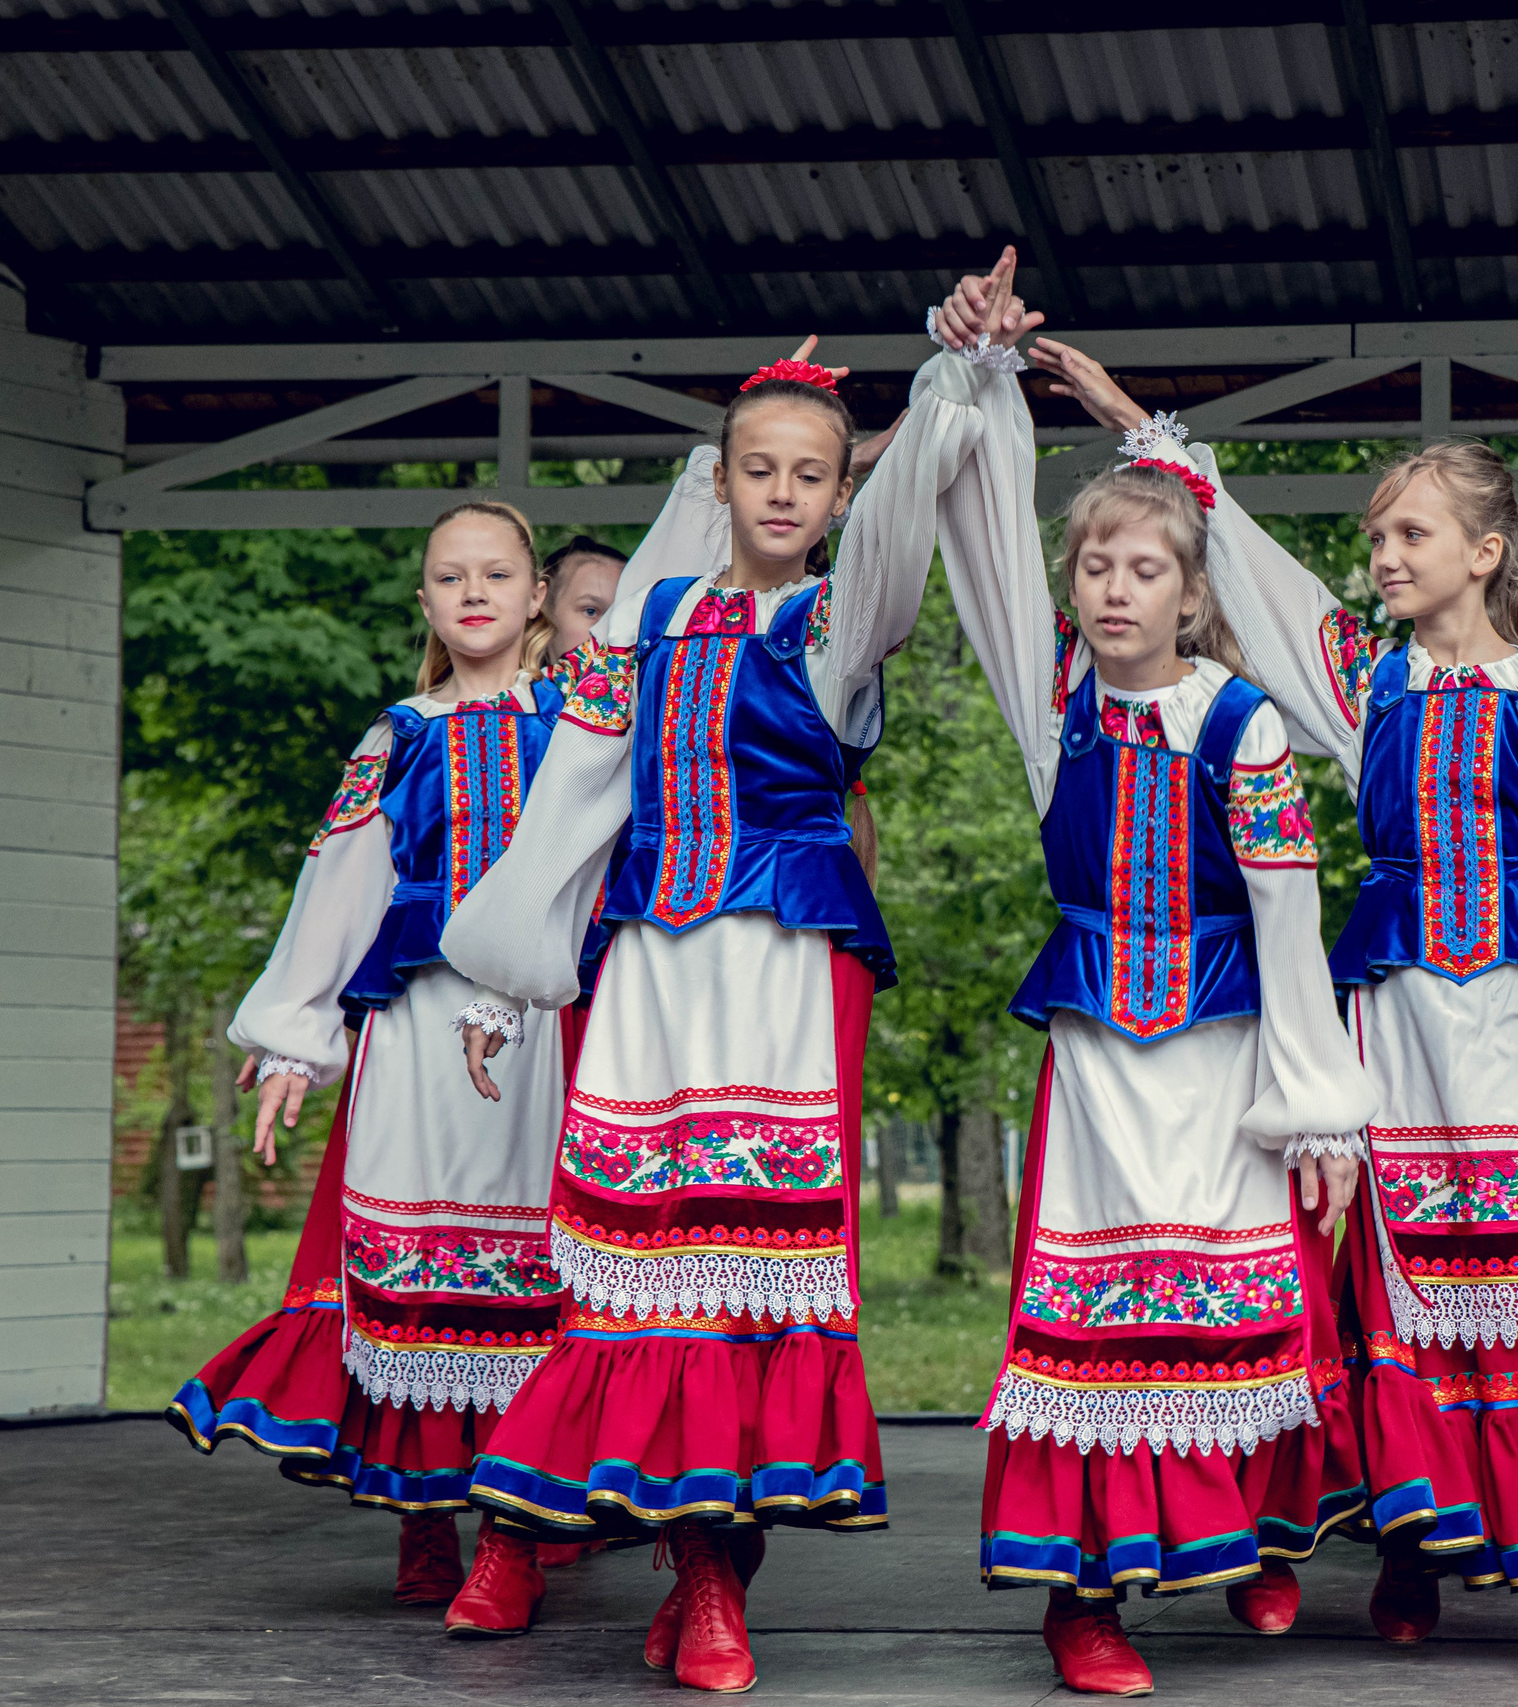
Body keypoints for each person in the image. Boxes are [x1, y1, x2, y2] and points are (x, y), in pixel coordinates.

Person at [1012, 318, 1518, 1677]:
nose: (1383, 556)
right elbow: (1249, 573)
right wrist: (1136, 427)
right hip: (1397, 1027)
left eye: (1410, 536)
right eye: (1380, 536)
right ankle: (1417, 1538)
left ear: (1488, 554)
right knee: (1405, 1291)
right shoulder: (1368, 682)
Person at [433, 265, 1029, 1693]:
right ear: (720, 478)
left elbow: (908, 512)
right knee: (620, 1270)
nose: (781, 493)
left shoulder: (840, 623)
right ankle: (522, 1523)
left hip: (786, 972)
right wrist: (498, 981)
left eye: (808, 475)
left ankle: (713, 1575)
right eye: (755, 467)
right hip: (645, 960)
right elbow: (571, 802)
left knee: (749, 1280)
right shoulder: (638, 622)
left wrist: (951, 368)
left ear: (837, 496)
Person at [922, 277, 1380, 1697]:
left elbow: (1291, 916)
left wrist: (1318, 1107)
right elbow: (984, 531)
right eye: (1097, 568)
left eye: (1146, 570)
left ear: (1191, 590)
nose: (1116, 590)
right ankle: (1082, 1597)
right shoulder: (1050, 696)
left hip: (1230, 1054)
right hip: (1098, 1058)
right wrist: (980, 378)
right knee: (1096, 1319)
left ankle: (1252, 1535)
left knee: (1240, 1312)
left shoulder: (1242, 724)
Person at [166, 502, 578, 1625]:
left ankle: (515, 1527)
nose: (477, 591)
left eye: (499, 573)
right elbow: (341, 883)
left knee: (539, 1273)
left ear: (537, 594)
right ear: (427, 603)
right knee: (414, 1269)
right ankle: (423, 1520)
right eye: (452, 576)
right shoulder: (396, 735)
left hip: (546, 1032)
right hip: (415, 1021)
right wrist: (298, 1033)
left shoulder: (583, 721)